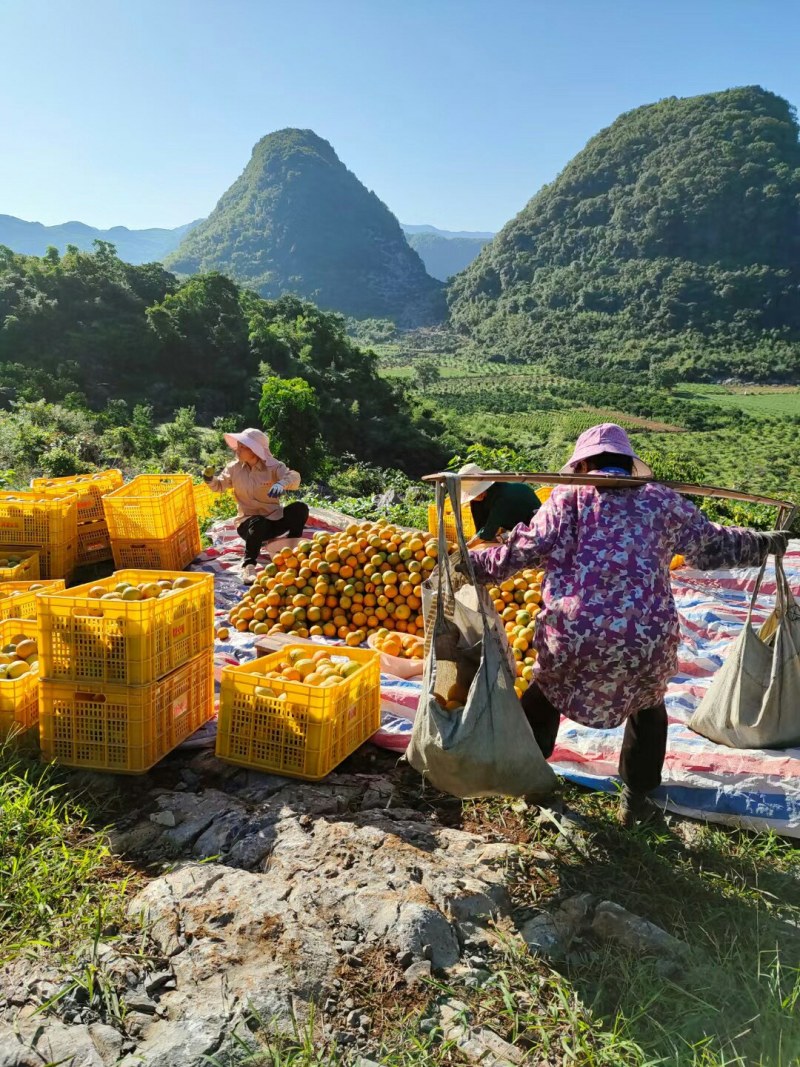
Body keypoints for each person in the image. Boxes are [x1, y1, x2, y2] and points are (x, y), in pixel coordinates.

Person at [464, 424, 789, 826]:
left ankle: (529, 783)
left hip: (576, 634)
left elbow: (520, 551)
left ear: (582, 464)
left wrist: (466, 565)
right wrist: (767, 541)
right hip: (647, 639)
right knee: (648, 706)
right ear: (627, 465)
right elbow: (715, 545)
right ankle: (637, 800)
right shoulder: (663, 501)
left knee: (545, 693)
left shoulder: (568, 497)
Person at [204, 428, 309, 585]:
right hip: (248, 525)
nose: (236, 450)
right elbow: (219, 486)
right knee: (257, 522)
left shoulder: (274, 467)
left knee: (300, 508)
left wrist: (282, 483)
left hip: (273, 520)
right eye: (237, 446)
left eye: (242, 447)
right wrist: (209, 479)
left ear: (254, 450)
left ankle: (291, 547)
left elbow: (294, 477)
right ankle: (249, 565)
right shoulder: (234, 468)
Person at [459, 463, 541, 547]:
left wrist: (466, 548)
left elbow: (488, 532)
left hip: (535, 532)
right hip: (511, 528)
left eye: (478, 491)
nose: (477, 494)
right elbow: (481, 530)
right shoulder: (478, 501)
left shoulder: (502, 496)